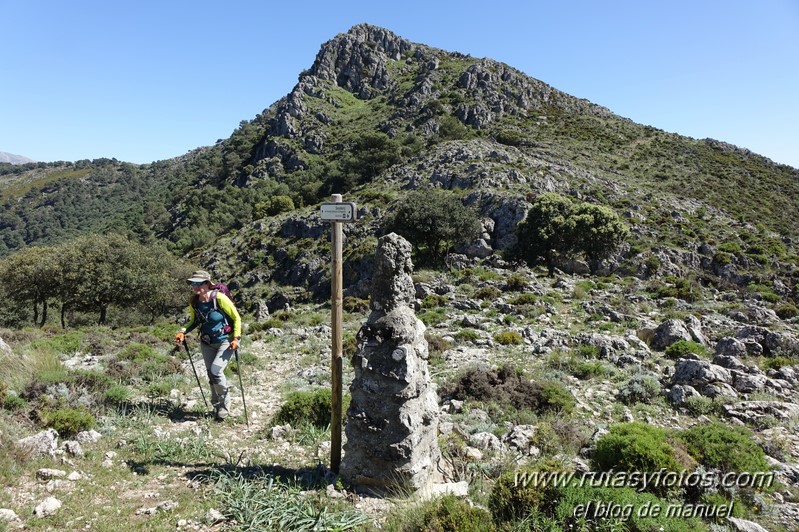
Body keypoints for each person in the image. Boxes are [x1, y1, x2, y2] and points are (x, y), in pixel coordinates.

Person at [175, 270, 241, 420]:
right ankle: (216, 405)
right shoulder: (195, 302)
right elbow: (194, 321)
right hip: (207, 342)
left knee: (216, 371)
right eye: (193, 284)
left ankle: (225, 405)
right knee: (211, 374)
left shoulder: (219, 298)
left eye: (198, 283)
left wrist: (236, 338)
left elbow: (236, 318)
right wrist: (183, 331)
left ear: (207, 283)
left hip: (226, 341)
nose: (195, 287)